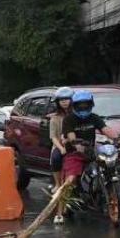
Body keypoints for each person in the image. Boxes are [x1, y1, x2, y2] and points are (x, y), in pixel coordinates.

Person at [62, 90, 120, 184]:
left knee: (108, 170)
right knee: (71, 180)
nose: (83, 107)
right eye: (80, 105)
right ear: (74, 105)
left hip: (92, 153)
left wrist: (118, 139)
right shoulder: (69, 119)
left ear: (91, 105)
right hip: (75, 154)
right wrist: (77, 144)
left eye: (86, 104)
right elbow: (71, 135)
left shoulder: (94, 117)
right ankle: (65, 196)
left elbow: (106, 129)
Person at [48, 87, 74, 222]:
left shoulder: (77, 115)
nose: (64, 102)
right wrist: (61, 147)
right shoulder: (55, 118)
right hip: (59, 146)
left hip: (74, 146)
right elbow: (53, 137)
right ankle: (58, 183)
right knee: (56, 157)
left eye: (67, 99)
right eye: (61, 100)